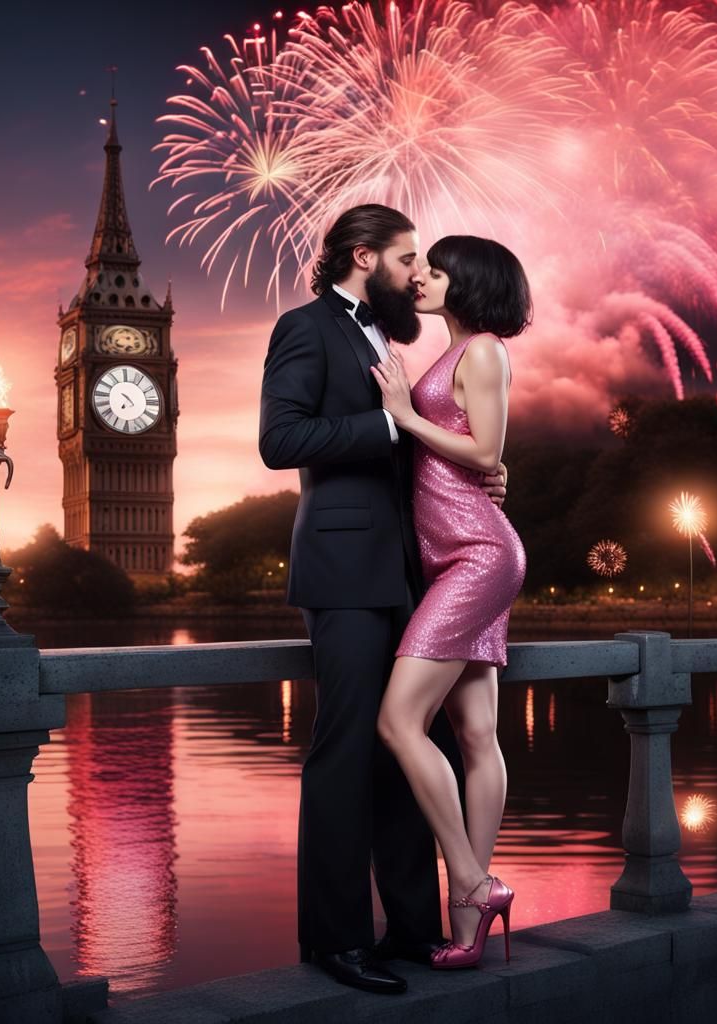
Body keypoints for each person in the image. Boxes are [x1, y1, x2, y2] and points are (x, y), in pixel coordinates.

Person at [259, 205, 508, 995]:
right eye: (406, 259)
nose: (417, 273)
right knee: (344, 754)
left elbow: (446, 452)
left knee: (404, 752)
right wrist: (388, 428)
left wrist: (488, 476)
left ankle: (410, 927)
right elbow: (281, 440)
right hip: (341, 570)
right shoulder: (305, 328)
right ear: (363, 257)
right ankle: (337, 940)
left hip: (412, 572)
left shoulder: (393, 341)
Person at [371, 234, 530, 969]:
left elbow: (486, 452)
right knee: (475, 734)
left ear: (465, 282)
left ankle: (469, 879)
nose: (422, 280)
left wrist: (403, 413)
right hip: (457, 556)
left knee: (400, 720)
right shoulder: (455, 352)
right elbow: (472, 451)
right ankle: (468, 931)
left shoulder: (486, 350)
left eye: (435, 271)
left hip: (477, 557)